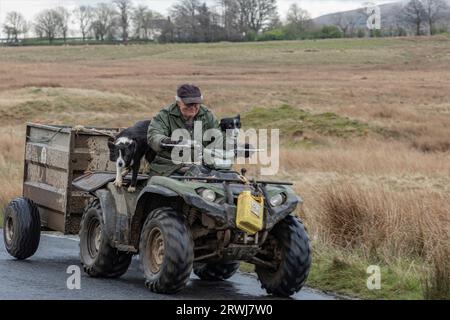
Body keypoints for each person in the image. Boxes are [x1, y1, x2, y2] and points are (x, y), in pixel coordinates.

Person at [147, 84, 223, 177]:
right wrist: (167, 141)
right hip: (170, 167)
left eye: (196, 103)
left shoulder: (207, 115)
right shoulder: (165, 115)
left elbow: (219, 136)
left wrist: (236, 145)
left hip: (203, 165)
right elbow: (154, 136)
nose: (192, 107)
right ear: (178, 102)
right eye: (188, 103)